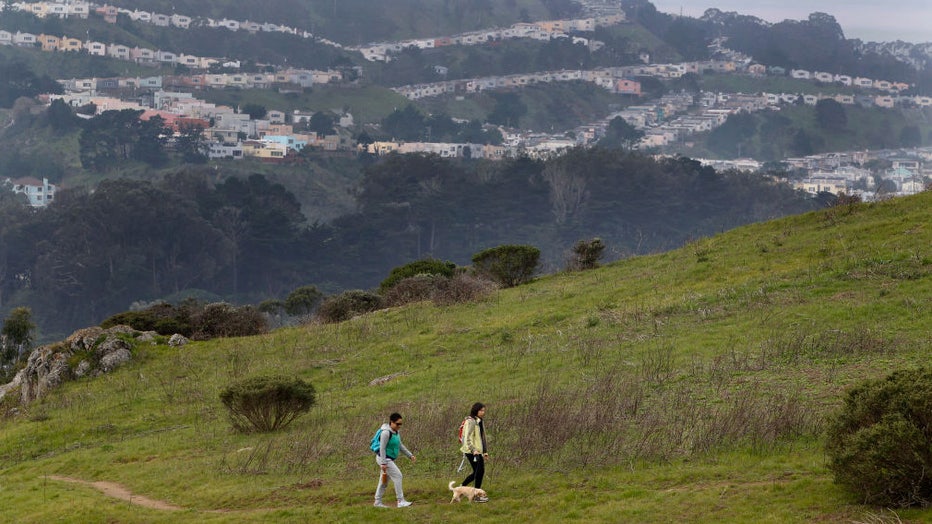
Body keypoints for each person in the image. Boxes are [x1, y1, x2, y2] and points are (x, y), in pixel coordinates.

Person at [373, 412, 416, 508]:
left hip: (388, 459)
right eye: (397, 424)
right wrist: (383, 463)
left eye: (401, 424)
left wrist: (410, 455)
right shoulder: (385, 433)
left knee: (383, 481)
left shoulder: (396, 432)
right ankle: (400, 501)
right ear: (391, 422)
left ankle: (377, 502)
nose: (399, 426)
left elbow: (400, 445)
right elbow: (382, 448)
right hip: (384, 459)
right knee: (398, 476)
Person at [460, 402, 489, 502]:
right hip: (471, 451)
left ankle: (461, 488)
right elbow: (468, 438)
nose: (483, 412)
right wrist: (473, 450)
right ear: (476, 410)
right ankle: (477, 496)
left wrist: (485, 451)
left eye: (484, 410)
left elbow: (482, 437)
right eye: (481, 410)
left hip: (478, 451)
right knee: (480, 472)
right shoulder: (471, 421)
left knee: (477, 472)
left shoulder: (479, 421)